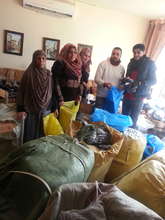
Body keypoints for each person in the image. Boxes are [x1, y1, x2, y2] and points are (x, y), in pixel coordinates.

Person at [16, 50, 58, 143]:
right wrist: (20, 109)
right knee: (29, 137)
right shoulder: (28, 74)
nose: (41, 61)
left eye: (43, 58)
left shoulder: (49, 74)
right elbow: (21, 92)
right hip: (31, 110)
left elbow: (52, 92)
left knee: (42, 137)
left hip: (45, 110)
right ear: (34, 60)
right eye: (38, 58)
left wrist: (55, 107)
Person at [122, 43, 157, 128]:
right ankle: (120, 136)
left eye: (138, 52)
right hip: (127, 95)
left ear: (143, 52)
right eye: (134, 52)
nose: (136, 54)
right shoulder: (131, 63)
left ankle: (129, 139)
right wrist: (125, 80)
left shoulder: (150, 64)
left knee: (132, 121)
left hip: (138, 97)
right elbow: (128, 76)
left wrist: (141, 83)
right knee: (123, 119)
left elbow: (153, 81)